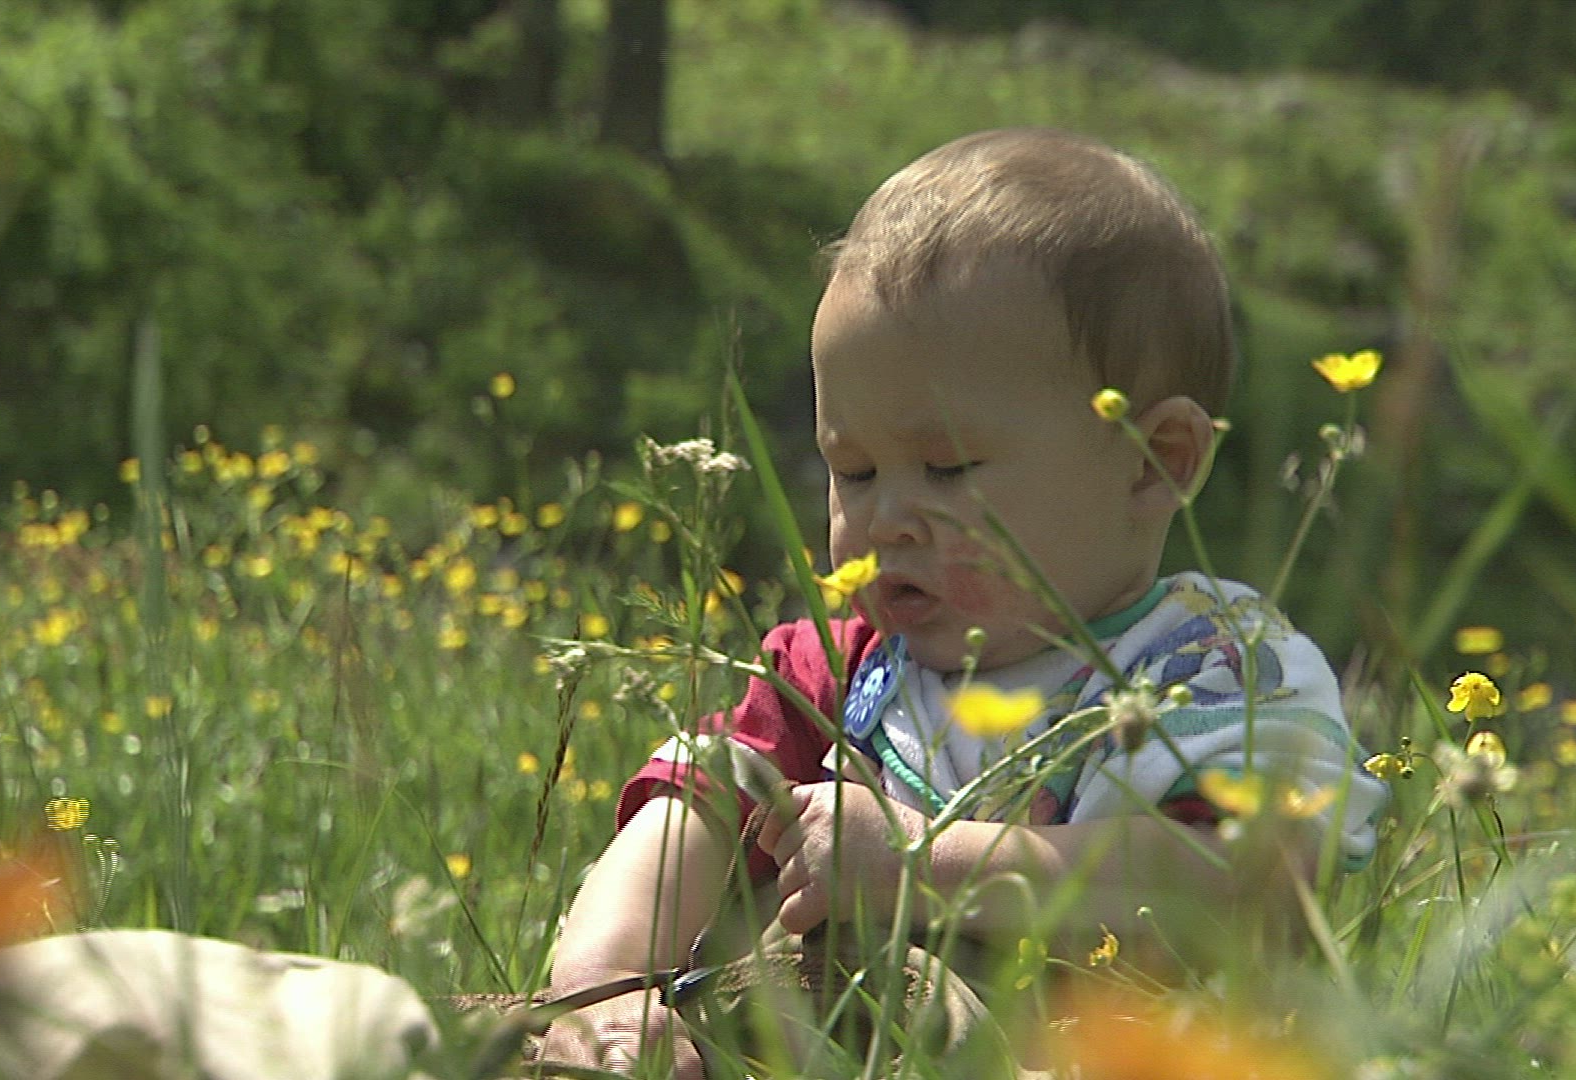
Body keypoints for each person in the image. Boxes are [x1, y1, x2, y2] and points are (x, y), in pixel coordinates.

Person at [537, 127, 1386, 1077]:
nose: (888, 519)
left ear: (1155, 462)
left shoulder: (1217, 670)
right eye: (853, 470)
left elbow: (1242, 879)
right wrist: (603, 990)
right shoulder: (843, 672)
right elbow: (689, 815)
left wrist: (926, 861)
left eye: (947, 467)